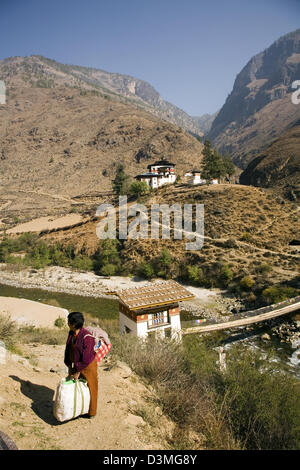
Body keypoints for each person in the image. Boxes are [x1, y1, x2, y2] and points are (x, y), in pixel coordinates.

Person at [64, 312, 98, 418]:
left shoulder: (87, 337)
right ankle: (79, 408)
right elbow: (68, 349)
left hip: (88, 365)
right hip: (77, 364)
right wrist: (69, 365)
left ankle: (91, 412)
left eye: (68, 321)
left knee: (90, 387)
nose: (67, 323)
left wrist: (77, 371)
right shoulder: (71, 333)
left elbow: (86, 357)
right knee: (77, 387)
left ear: (74, 324)